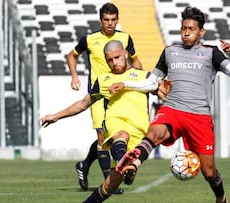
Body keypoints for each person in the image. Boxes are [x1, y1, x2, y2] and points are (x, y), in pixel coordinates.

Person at [109, 6, 230, 203]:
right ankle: (134, 163)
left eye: (191, 29)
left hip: (199, 116)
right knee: (154, 133)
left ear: (201, 32)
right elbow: (153, 81)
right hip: (173, 108)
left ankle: (221, 198)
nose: (186, 33)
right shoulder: (170, 51)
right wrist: (126, 84)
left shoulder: (211, 53)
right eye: (183, 28)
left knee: (209, 171)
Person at [43, 40, 160, 202]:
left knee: (110, 185)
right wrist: (56, 115)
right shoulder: (103, 79)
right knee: (121, 134)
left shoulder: (144, 77)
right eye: (109, 60)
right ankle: (123, 161)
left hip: (140, 132)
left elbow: (163, 94)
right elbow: (84, 103)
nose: (114, 62)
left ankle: (122, 167)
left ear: (125, 54)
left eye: (117, 57)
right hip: (115, 124)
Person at [66, 2, 142, 193]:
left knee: (111, 137)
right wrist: (74, 76)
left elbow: (135, 60)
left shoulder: (124, 38)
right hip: (99, 94)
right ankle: (110, 182)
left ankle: (84, 165)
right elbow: (71, 56)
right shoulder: (90, 39)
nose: (110, 23)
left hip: (119, 94)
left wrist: (140, 75)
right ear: (101, 20)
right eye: (106, 20)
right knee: (102, 136)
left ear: (117, 20)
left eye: (113, 19)